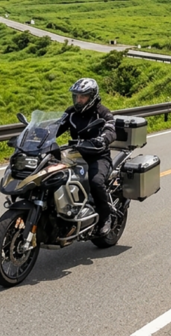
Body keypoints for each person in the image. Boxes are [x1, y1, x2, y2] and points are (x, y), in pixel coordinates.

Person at [57, 78, 118, 237]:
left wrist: (103, 139)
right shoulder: (70, 113)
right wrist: (40, 134)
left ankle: (105, 218)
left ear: (92, 96)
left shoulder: (102, 112)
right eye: (76, 96)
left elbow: (111, 129)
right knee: (53, 176)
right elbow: (55, 127)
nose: (79, 100)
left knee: (96, 182)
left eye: (82, 96)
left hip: (97, 157)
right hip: (73, 156)